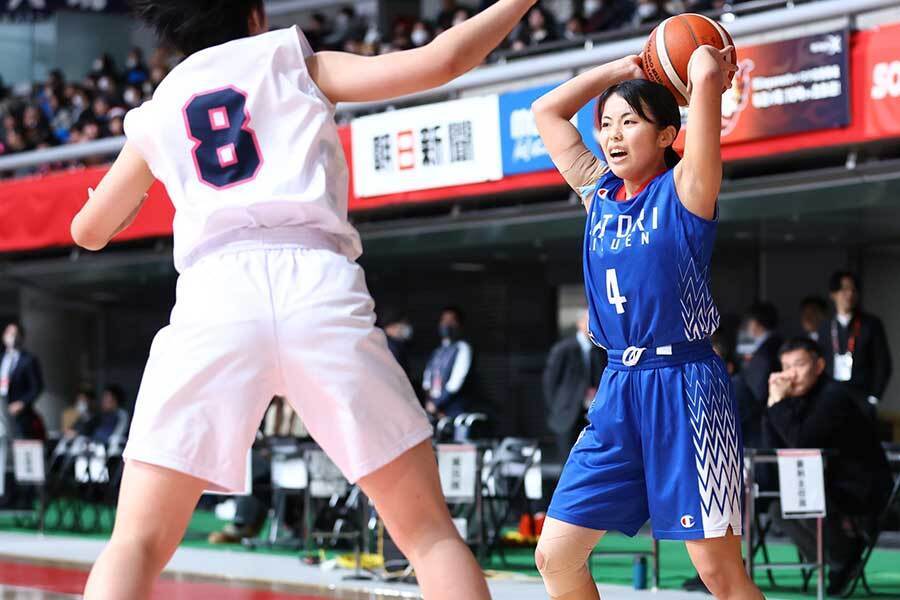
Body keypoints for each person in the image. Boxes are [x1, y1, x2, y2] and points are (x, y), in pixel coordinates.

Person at [69, 1, 538, 598]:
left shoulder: (162, 105)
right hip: (314, 280)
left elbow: (89, 231)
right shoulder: (290, 58)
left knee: (134, 542)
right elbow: (444, 59)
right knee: (428, 536)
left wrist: (143, 183)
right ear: (255, 14)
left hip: (215, 294)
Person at [533, 46, 763, 598]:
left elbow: (705, 73)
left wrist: (704, 69)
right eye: (607, 124)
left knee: (719, 574)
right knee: (555, 555)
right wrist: (624, 71)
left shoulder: (686, 188)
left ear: (666, 135)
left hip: (686, 386)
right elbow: (547, 111)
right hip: (617, 388)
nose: (612, 135)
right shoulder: (598, 194)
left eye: (629, 122)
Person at [765, 337, 893, 596]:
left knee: (804, 503)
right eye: (785, 366)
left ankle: (844, 557)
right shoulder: (799, 396)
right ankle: (840, 558)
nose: (791, 374)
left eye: (799, 364)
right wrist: (773, 402)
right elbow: (773, 445)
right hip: (826, 484)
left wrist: (779, 405)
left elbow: (801, 442)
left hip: (859, 487)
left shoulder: (833, 396)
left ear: (819, 365)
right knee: (779, 509)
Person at [816, 270, 892, 418]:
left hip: (862, 394)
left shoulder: (870, 324)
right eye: (844, 289)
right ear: (833, 294)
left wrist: (874, 396)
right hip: (832, 394)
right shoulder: (826, 327)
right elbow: (820, 361)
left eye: (854, 290)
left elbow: (883, 362)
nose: (850, 294)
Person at [542, 310, 607, 461]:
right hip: (568, 414)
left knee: (591, 459)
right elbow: (550, 381)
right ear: (579, 324)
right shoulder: (564, 349)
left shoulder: (599, 351)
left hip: (591, 413)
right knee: (567, 461)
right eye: (588, 321)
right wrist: (558, 406)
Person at [422, 306, 474, 420]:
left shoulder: (462, 348)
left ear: (459, 325)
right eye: (444, 320)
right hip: (435, 411)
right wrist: (430, 403)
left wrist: (436, 404)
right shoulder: (437, 352)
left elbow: (455, 384)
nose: (447, 324)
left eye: (452, 321)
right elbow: (427, 382)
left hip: (454, 411)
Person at [1, 322, 44, 441]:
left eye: (15, 334)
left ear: (21, 337)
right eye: (9, 333)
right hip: (1, 409)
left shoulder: (29, 360)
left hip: (20, 414)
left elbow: (37, 387)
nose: (12, 336)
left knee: (19, 441)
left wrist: (22, 403)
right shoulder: (2, 359)